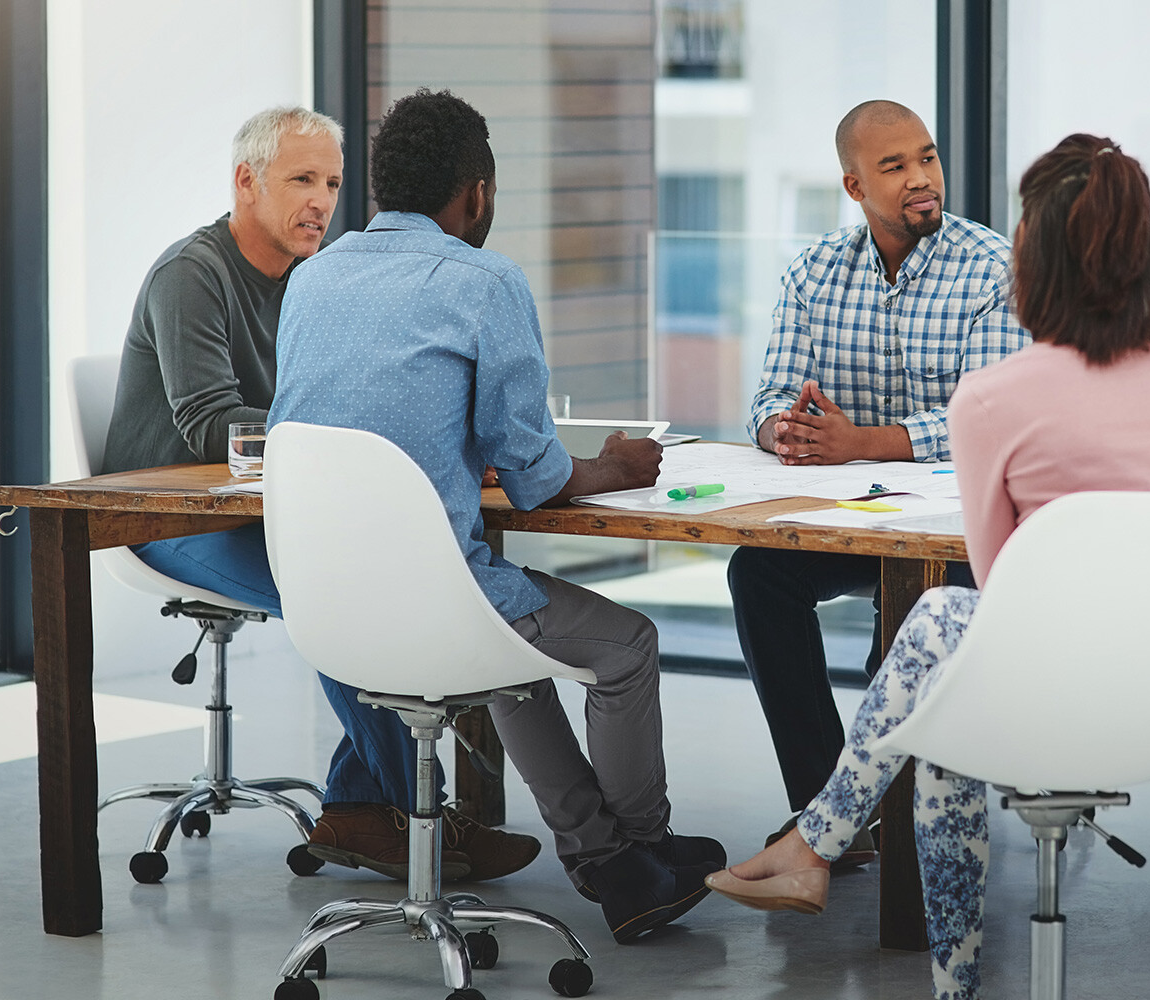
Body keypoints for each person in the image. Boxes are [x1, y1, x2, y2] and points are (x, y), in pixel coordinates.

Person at [703, 135, 1150, 999]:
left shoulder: (990, 401)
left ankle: (839, 865)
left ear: (1033, 263)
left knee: (944, 628)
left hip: (1044, 682)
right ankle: (830, 859)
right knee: (946, 721)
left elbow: (998, 582)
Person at [269, 88, 725, 945]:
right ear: (476, 192)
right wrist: (614, 466)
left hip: (322, 605)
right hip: (441, 600)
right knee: (625, 647)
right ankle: (640, 850)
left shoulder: (313, 276)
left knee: (510, 649)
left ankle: (606, 857)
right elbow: (534, 478)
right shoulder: (483, 281)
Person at [99, 106, 538, 883]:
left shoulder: (317, 276)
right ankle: (424, 827)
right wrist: (367, 440)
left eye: (333, 183)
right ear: (246, 181)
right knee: (344, 590)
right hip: (172, 519)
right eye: (302, 179)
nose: (322, 202)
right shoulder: (189, 276)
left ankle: (359, 810)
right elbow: (209, 425)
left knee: (387, 576)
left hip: (282, 511)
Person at [727, 99, 1028, 857]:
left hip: (960, 532)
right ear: (855, 187)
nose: (922, 179)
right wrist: (783, 430)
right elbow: (769, 396)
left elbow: (985, 420)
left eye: (927, 158)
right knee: (759, 574)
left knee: (910, 620)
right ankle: (828, 810)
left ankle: (896, 814)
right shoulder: (814, 273)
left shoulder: (994, 270)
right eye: (895, 167)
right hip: (854, 520)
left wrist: (861, 442)